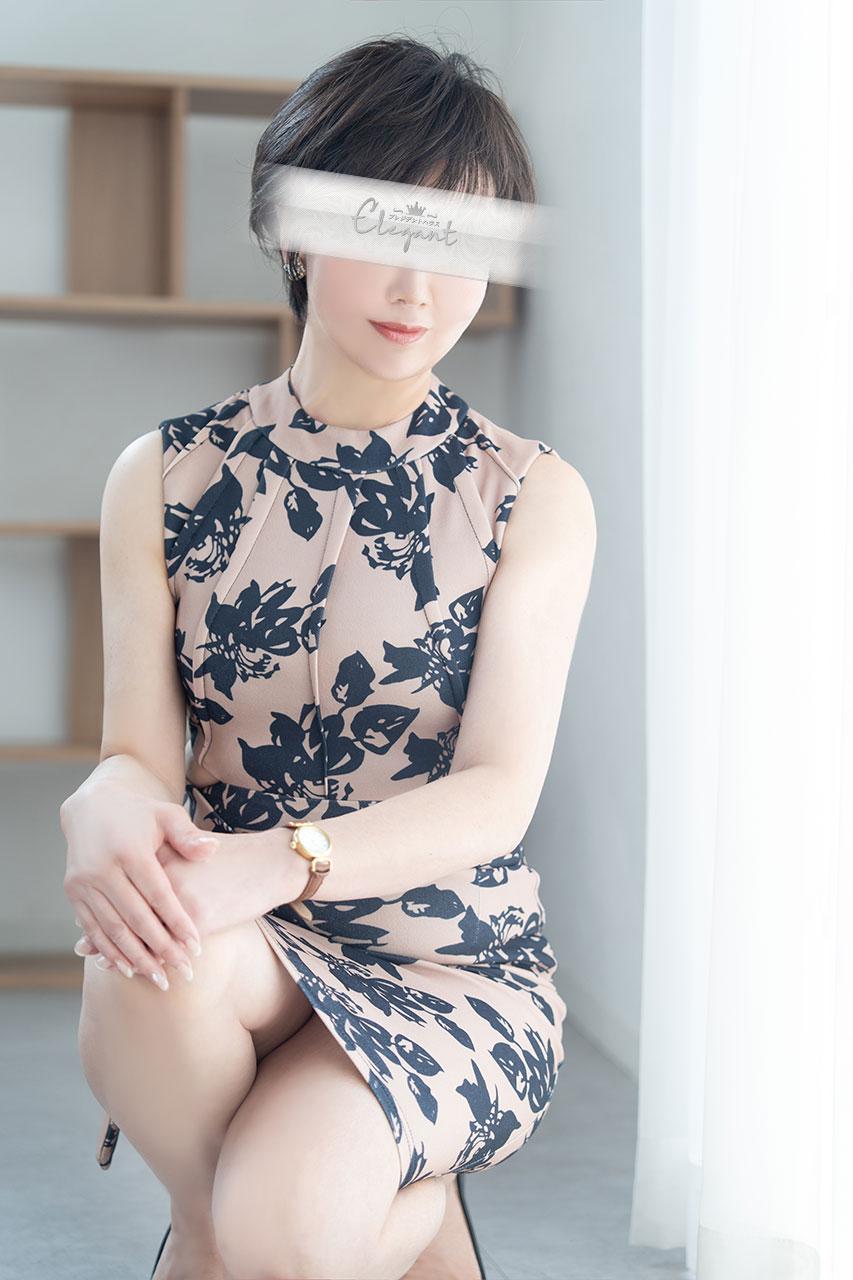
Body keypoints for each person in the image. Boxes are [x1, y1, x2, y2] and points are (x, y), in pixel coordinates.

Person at [61, 34, 596, 1280]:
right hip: (237, 943)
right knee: (141, 964)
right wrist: (104, 801)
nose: (419, 286)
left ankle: (275, 1225)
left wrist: (275, 862)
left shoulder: (530, 495)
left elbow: (497, 792)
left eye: (457, 243)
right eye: (380, 229)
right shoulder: (165, 474)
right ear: (292, 229)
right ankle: (380, 1217)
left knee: (274, 1228)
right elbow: (138, 751)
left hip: (447, 958)